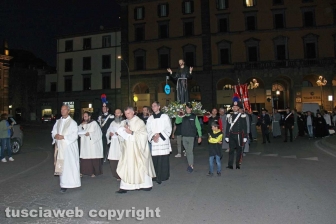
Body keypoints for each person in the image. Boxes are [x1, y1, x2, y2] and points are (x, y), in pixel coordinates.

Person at [116, 106, 156, 193]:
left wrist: (132, 133)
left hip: (138, 149)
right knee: (127, 165)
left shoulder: (139, 122)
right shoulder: (124, 122)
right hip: (128, 149)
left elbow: (144, 135)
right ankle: (125, 187)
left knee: (140, 165)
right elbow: (121, 134)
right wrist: (121, 132)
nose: (127, 115)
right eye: (126, 114)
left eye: (129, 113)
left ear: (133, 112)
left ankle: (145, 185)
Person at [52, 104, 81, 193]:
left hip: (69, 148)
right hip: (60, 148)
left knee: (70, 165)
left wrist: (64, 137)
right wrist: (55, 135)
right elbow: (53, 131)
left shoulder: (73, 123)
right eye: (61, 109)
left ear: (68, 111)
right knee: (62, 166)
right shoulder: (58, 122)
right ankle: (63, 184)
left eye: (64, 110)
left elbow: (74, 135)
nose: (62, 111)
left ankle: (73, 183)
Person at [147, 101, 172, 184]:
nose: (153, 107)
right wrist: (153, 136)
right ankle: (156, 176)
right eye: (152, 106)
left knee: (163, 158)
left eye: (155, 106)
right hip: (155, 141)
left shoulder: (165, 117)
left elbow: (169, 128)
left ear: (159, 107)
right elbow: (148, 129)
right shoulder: (150, 118)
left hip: (162, 140)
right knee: (155, 159)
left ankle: (164, 176)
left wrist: (160, 134)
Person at [175, 102, 202, 173]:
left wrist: (200, 136)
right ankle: (190, 163)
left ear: (191, 109)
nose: (187, 109)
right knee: (187, 151)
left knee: (189, 151)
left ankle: (191, 165)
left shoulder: (194, 116)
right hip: (184, 136)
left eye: (188, 108)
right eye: (186, 108)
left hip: (191, 136)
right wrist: (179, 115)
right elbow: (177, 122)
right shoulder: (183, 116)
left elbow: (198, 126)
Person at [78, 111, 103, 178]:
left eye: (86, 116)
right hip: (85, 144)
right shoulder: (83, 124)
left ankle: (94, 172)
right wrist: (81, 126)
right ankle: (83, 172)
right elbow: (78, 131)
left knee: (92, 157)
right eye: (84, 116)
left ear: (89, 116)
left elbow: (98, 133)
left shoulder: (94, 123)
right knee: (85, 158)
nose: (84, 118)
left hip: (92, 144)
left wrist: (90, 134)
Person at [225, 100, 247, 170]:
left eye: (236, 107)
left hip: (239, 135)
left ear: (238, 108)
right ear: (232, 108)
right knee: (231, 150)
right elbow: (228, 126)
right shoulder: (229, 116)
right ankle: (230, 165)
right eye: (233, 107)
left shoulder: (242, 116)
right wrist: (227, 136)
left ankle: (237, 164)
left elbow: (244, 126)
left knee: (239, 150)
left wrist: (245, 136)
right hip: (231, 135)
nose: (234, 108)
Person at [106, 109, 125, 180]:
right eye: (116, 113)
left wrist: (120, 133)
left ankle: (123, 174)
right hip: (114, 143)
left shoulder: (124, 122)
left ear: (122, 114)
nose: (117, 114)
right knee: (113, 159)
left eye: (118, 113)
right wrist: (110, 134)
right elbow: (108, 132)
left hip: (122, 144)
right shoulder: (112, 123)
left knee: (122, 158)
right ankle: (116, 175)